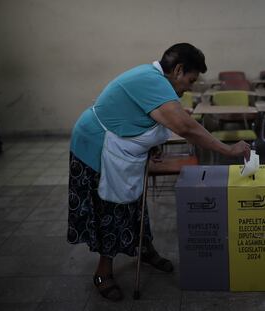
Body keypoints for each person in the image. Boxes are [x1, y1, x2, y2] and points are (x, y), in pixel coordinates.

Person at [67, 43, 251, 301]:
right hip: (96, 147)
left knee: (136, 204)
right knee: (109, 209)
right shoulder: (150, 80)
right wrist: (228, 150)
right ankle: (103, 271)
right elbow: (185, 128)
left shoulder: (155, 80)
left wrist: (150, 145)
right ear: (178, 70)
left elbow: (142, 117)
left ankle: (144, 248)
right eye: (191, 79)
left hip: (122, 149)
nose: (189, 87)